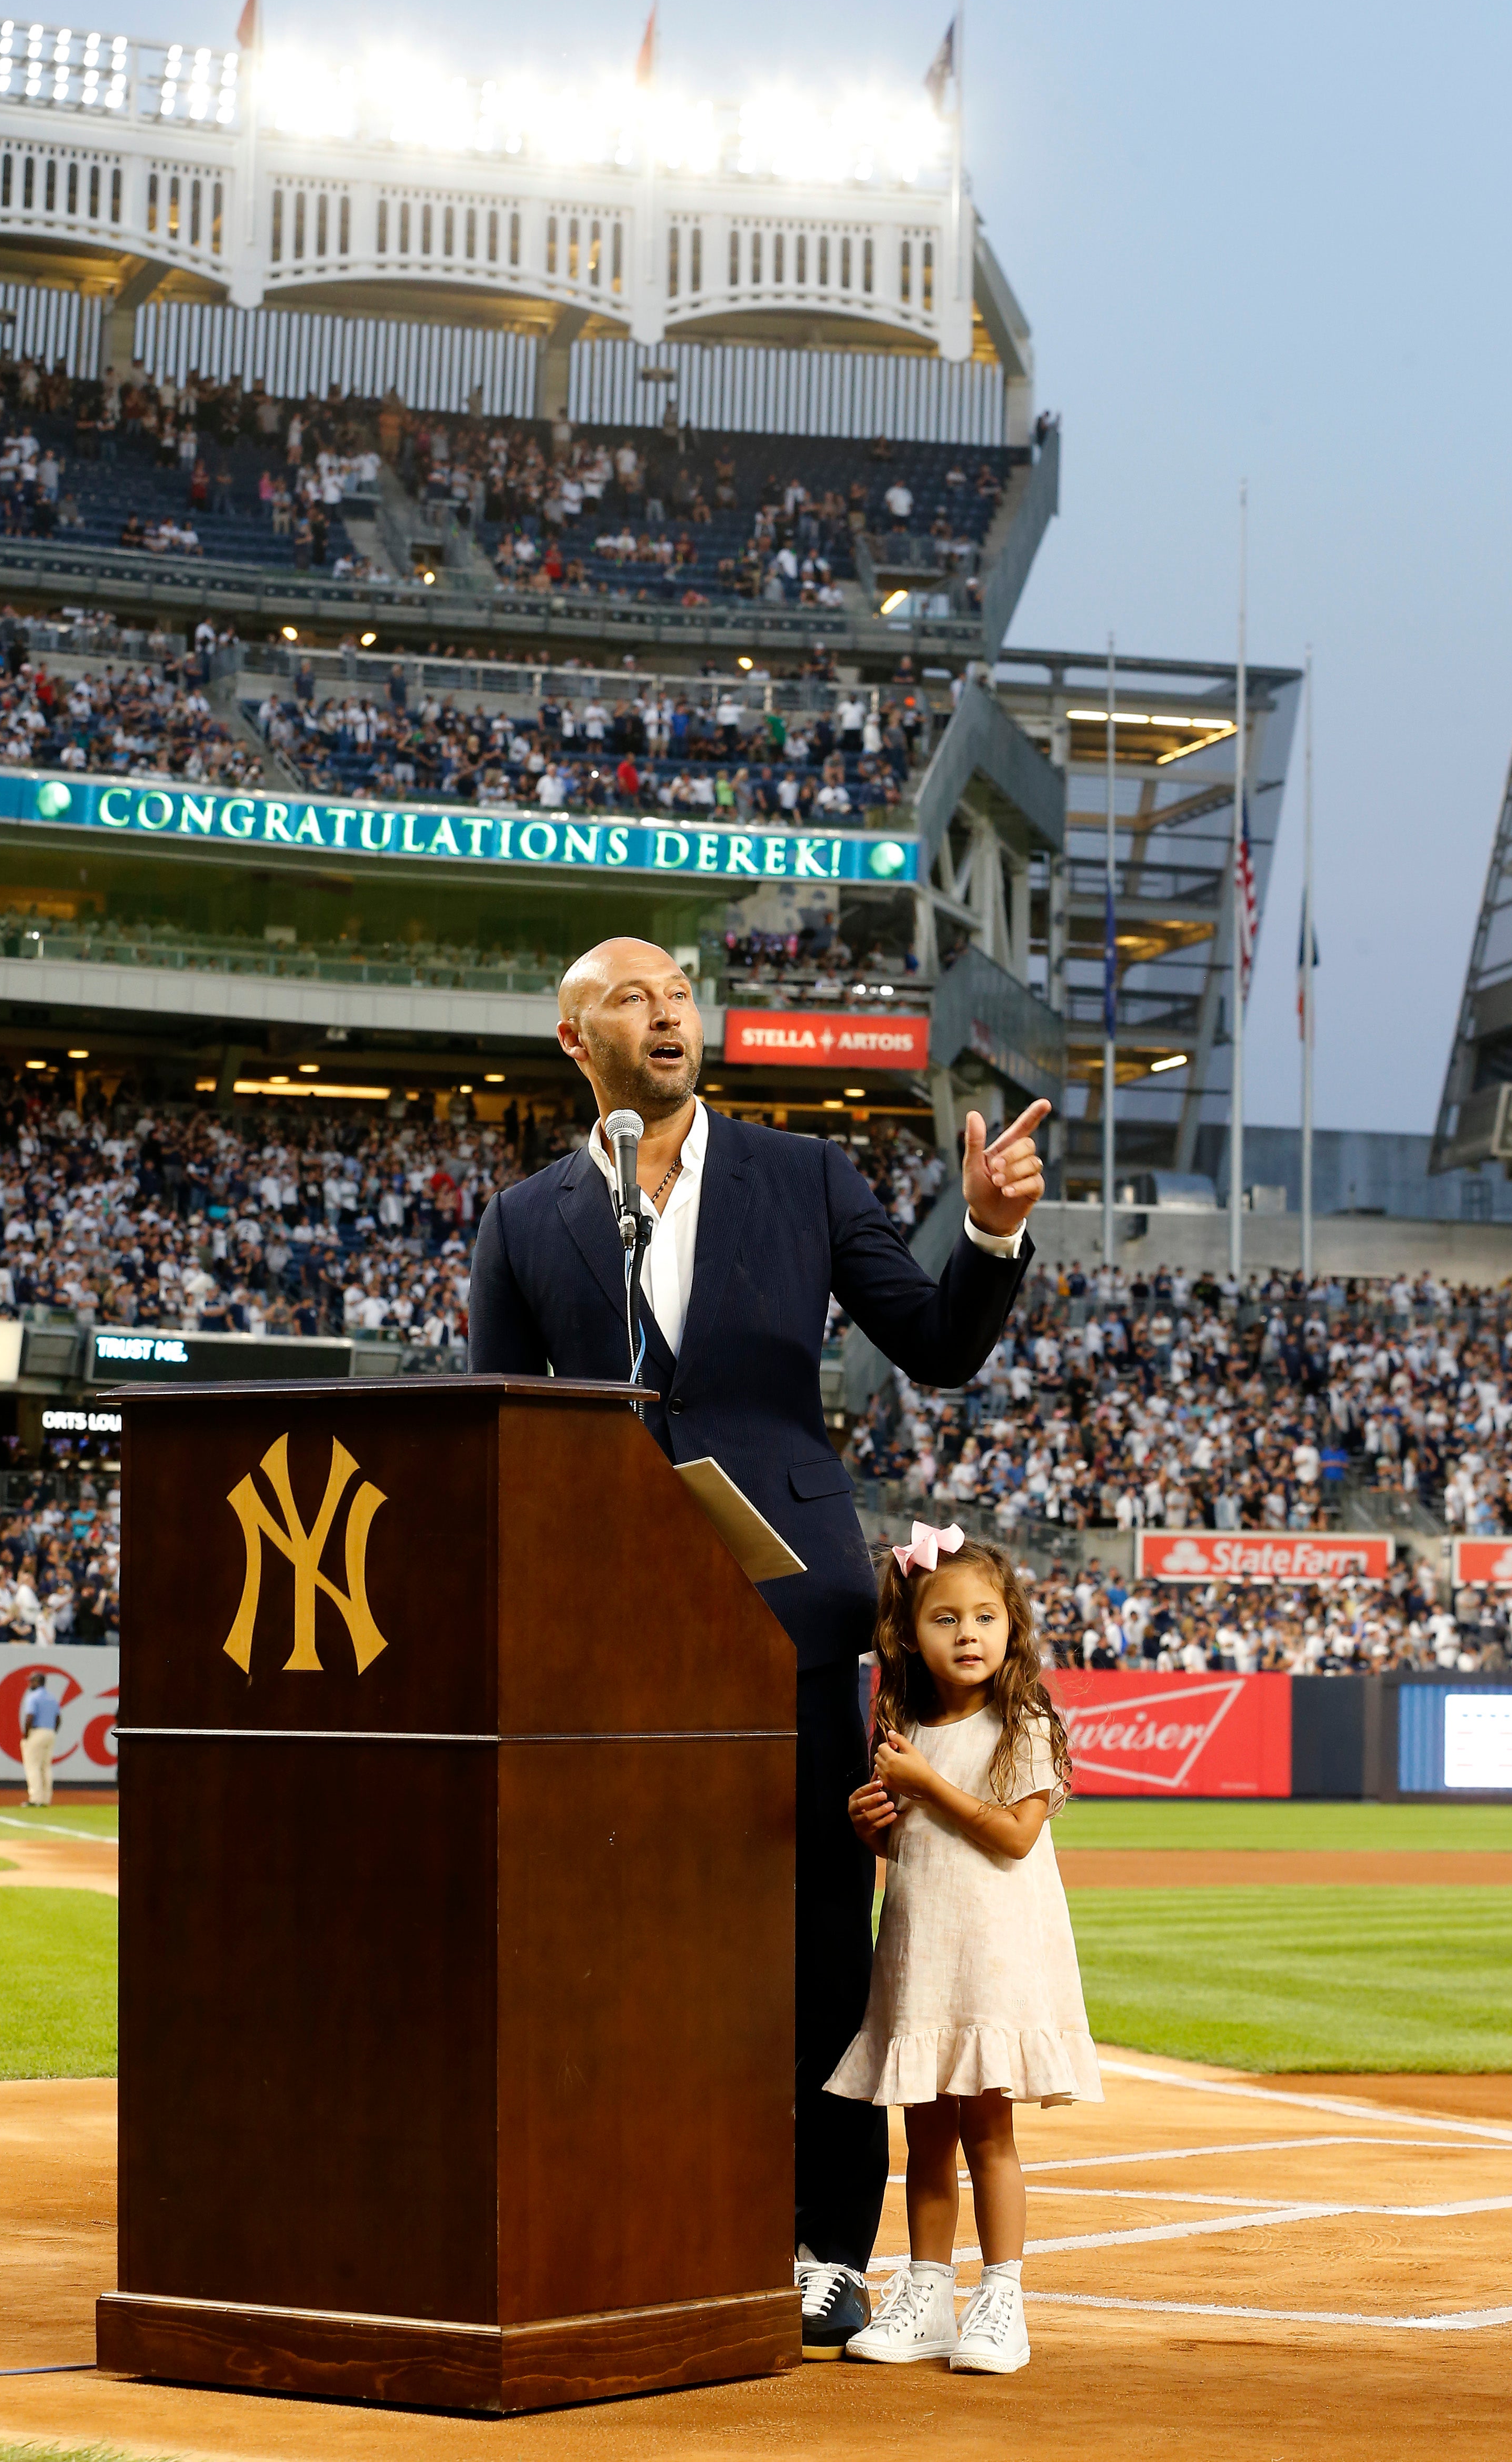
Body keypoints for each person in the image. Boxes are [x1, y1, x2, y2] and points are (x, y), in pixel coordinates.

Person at [467, 939, 1046, 2357]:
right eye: (630, 995)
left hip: (788, 1619)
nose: (666, 1009)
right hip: (607, 1639)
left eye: (679, 990)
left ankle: (827, 2246)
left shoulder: (808, 1176)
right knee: (619, 1936)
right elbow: (496, 1427)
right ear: (573, 1039)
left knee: (812, 1949)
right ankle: (635, 2205)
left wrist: (981, 1234)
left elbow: (937, 1345)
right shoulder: (525, 1218)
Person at [830, 1521, 1101, 2373]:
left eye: (986, 1615)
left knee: (989, 2130)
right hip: (923, 1954)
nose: (970, 1633)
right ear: (910, 1633)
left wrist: (924, 1784)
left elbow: (1015, 1836)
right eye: (946, 1618)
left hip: (994, 1958)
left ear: (1011, 1624)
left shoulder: (1021, 1720)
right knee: (926, 2134)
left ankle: (1004, 2296)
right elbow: (917, 1848)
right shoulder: (901, 1721)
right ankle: (926, 2293)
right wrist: (870, 1825)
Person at [19, 1671, 62, 1808]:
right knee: (46, 1767)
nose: (30, 1683)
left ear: (38, 1682)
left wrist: (26, 1734)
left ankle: (36, 1798)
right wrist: (53, 1732)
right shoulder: (52, 1698)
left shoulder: (33, 1697)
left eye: (32, 1681)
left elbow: (30, 1717)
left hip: (37, 1732)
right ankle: (46, 1799)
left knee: (33, 1766)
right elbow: (58, 1719)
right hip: (50, 1733)